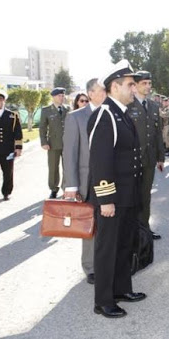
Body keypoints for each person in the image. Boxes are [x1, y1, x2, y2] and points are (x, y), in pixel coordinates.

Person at [88, 59, 146, 319]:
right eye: (130, 85)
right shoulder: (105, 114)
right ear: (115, 86)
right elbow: (100, 162)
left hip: (127, 195)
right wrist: (106, 199)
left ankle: (122, 289)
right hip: (112, 197)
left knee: (124, 244)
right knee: (107, 247)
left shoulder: (121, 113)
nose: (134, 89)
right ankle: (103, 300)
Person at [62, 78, 107, 285]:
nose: (105, 92)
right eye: (102, 90)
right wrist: (71, 186)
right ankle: (90, 267)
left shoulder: (111, 114)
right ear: (90, 93)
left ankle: (106, 261)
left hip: (108, 179)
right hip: (86, 180)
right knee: (89, 224)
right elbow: (69, 153)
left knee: (107, 223)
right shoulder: (76, 118)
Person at [126, 70, 165, 240]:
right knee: (131, 196)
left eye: (149, 83)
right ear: (135, 86)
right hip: (131, 160)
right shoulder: (127, 105)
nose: (148, 87)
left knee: (145, 196)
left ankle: (144, 230)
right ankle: (131, 231)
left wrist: (160, 157)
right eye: (144, 83)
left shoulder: (154, 106)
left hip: (149, 159)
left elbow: (157, 133)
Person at [39, 87, 69, 199]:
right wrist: (44, 142)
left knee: (67, 167)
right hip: (53, 144)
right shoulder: (46, 110)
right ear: (53, 97)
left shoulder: (68, 109)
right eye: (59, 96)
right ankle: (53, 189)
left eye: (63, 95)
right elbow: (42, 128)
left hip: (67, 144)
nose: (62, 98)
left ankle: (66, 188)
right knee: (53, 168)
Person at [0, 88, 22, 202]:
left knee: (8, 173)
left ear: (4, 101)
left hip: (7, 150)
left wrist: (18, 148)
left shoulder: (12, 116)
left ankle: (6, 192)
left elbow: (18, 133)